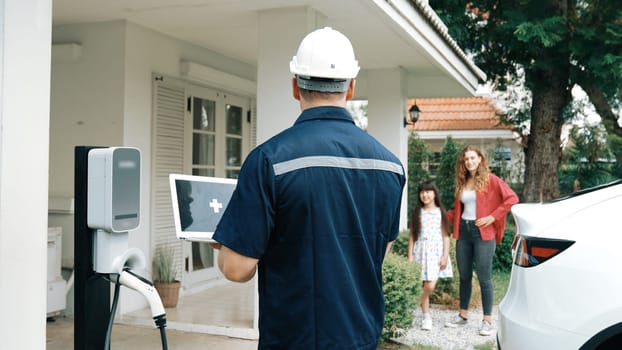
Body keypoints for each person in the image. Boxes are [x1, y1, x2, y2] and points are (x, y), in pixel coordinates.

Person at [210, 27, 406, 349]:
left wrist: (223, 243)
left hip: (293, 339)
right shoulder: (389, 166)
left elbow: (236, 268)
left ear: (294, 86)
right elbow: (377, 253)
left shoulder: (268, 160)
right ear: (351, 87)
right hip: (361, 338)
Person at [444, 145, 518, 336]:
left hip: (483, 234)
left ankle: (487, 320)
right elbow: (458, 211)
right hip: (464, 233)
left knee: (484, 278)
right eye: (466, 159)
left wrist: (492, 217)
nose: (469, 161)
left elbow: (512, 198)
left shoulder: (491, 180)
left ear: (480, 159)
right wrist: (439, 215)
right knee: (465, 276)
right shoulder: (462, 182)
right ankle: (462, 315)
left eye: (472, 158)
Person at [407, 180, 453, 331]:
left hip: (435, 254)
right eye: (422, 192)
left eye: (428, 191)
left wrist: (445, 255)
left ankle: (415, 302)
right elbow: (412, 236)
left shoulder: (441, 213)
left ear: (434, 193)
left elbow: (446, 236)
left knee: (430, 286)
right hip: (420, 253)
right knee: (423, 283)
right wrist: (410, 256)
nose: (425, 195)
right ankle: (426, 316)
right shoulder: (417, 213)